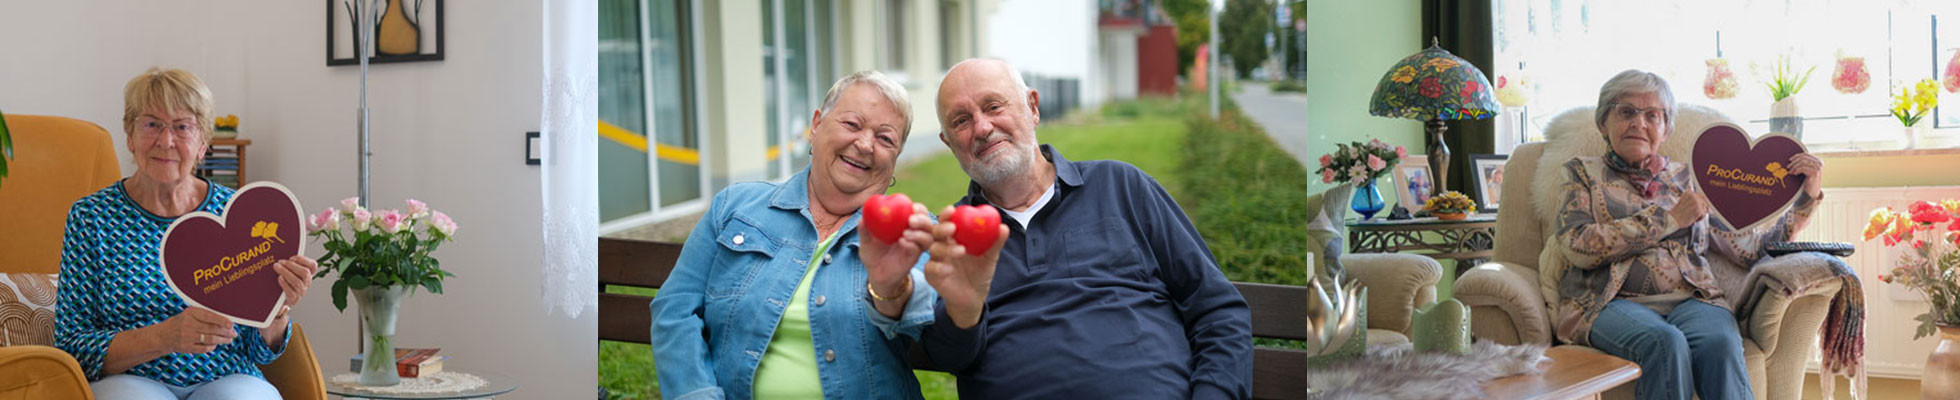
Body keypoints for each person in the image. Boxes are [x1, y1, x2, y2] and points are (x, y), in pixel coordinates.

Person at [916, 58, 1252, 399]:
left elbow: (1217, 310)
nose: (983, 128)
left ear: (1032, 107)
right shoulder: (952, 236)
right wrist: (965, 308)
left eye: (993, 106)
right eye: (962, 121)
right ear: (949, 143)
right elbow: (950, 357)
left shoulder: (1121, 187)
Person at [650, 70, 976, 399]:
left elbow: (937, 334)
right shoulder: (735, 207)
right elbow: (675, 309)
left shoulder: (911, 231)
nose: (864, 145)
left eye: (885, 138)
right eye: (852, 124)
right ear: (816, 125)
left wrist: (892, 288)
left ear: (895, 158)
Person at [1550, 69, 1826, 400]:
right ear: (1603, 123)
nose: (1640, 123)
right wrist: (1668, 220)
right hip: (1609, 302)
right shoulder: (1581, 173)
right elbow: (1578, 245)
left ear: (1665, 130)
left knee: (1721, 342)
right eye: (1626, 112)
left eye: (1653, 115)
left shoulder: (1687, 178)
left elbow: (1749, 250)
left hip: (1693, 300)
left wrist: (1805, 199)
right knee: (1664, 342)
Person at [56, 67, 319, 399]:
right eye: (151, 124)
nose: (166, 141)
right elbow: (70, 346)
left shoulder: (237, 214)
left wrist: (275, 314)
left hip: (228, 376)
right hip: (130, 379)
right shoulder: (91, 217)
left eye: (182, 127)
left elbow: (260, 352)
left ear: (203, 144)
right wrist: (165, 336)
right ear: (130, 135)